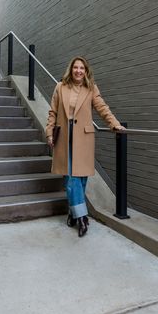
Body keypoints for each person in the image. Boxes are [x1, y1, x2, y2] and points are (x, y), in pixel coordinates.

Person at [45, 56, 125, 237]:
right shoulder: (60, 87)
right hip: (65, 136)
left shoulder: (91, 89)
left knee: (80, 179)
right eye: (75, 68)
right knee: (71, 177)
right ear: (71, 69)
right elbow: (53, 112)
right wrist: (49, 133)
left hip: (84, 137)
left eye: (82, 68)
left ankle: (72, 213)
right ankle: (82, 217)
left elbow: (102, 108)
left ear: (86, 71)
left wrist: (114, 123)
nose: (78, 71)